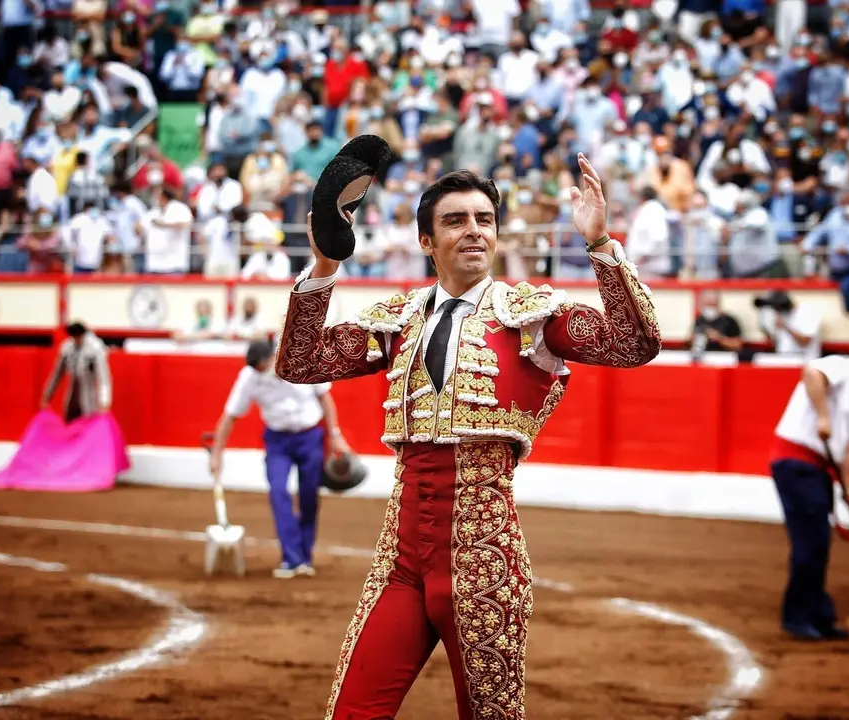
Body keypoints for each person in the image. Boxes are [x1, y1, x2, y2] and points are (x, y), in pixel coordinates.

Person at [274, 155, 661, 719]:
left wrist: (601, 244)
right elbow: (301, 361)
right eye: (456, 220)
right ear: (427, 242)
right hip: (400, 563)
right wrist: (326, 263)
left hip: (486, 566)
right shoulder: (400, 318)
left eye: (485, 218)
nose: (475, 230)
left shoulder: (532, 315)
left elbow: (635, 343)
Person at [769, 342, 849, 641]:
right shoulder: (843, 366)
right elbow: (812, 374)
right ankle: (799, 617)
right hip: (797, 463)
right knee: (810, 543)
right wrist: (823, 415)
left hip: (815, 469)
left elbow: (847, 449)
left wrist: (848, 487)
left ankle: (819, 616)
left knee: (818, 544)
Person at [208, 340, 351, 579]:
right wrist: (216, 453)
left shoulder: (302, 359)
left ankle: (304, 557)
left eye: (263, 366)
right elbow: (230, 415)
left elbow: (325, 399)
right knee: (277, 492)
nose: (261, 372)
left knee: (309, 495)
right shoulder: (249, 376)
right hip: (277, 440)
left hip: (310, 437)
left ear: (274, 357)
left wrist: (336, 436)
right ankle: (292, 558)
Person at [41, 322, 112, 423]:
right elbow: (57, 374)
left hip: (89, 396)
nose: (76, 339)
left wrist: (104, 401)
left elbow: (103, 378)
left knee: (87, 424)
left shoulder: (95, 348)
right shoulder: (68, 347)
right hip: (73, 395)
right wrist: (47, 395)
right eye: (74, 337)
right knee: (70, 423)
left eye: (78, 336)